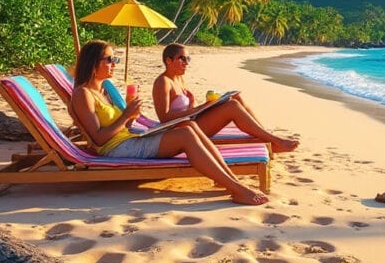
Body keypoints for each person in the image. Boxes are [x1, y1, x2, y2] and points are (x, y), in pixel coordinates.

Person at [69, 40, 268, 205]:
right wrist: (125, 116)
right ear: (93, 62)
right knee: (185, 134)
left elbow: (123, 127)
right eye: (110, 59)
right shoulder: (83, 94)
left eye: (116, 59)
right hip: (117, 148)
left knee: (189, 125)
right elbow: (99, 139)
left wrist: (131, 117)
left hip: (130, 139)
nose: (115, 63)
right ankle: (236, 188)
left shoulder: (104, 90)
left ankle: (231, 181)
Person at [152, 43, 299, 153]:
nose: (186, 62)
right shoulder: (163, 82)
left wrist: (193, 103)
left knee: (235, 96)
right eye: (182, 59)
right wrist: (201, 107)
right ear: (168, 61)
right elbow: (164, 118)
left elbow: (187, 110)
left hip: (192, 121)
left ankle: (268, 137)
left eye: (188, 58)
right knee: (232, 106)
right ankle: (275, 141)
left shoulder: (179, 78)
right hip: (181, 131)